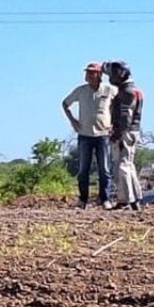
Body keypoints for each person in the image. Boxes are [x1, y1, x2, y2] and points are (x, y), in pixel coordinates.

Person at [62, 61, 116, 208]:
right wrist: (73, 121)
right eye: (87, 72)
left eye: (92, 73)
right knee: (83, 169)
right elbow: (65, 104)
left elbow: (118, 106)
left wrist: (114, 124)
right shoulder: (80, 90)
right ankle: (83, 199)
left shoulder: (109, 90)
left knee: (104, 169)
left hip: (103, 134)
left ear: (99, 75)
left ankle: (105, 199)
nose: (88, 75)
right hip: (85, 134)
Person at [104, 60, 145, 211]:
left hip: (125, 132)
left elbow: (125, 115)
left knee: (122, 166)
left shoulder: (126, 92)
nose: (111, 77)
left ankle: (125, 200)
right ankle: (135, 199)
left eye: (113, 74)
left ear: (121, 74)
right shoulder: (135, 90)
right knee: (129, 164)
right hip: (132, 131)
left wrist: (118, 133)